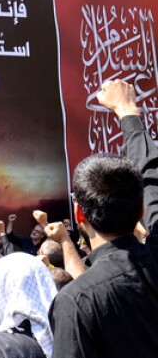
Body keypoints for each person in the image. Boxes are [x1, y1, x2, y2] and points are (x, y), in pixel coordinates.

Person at [48, 79, 158, 358]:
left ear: (79, 213)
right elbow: (153, 182)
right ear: (140, 212)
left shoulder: (77, 302)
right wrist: (128, 112)